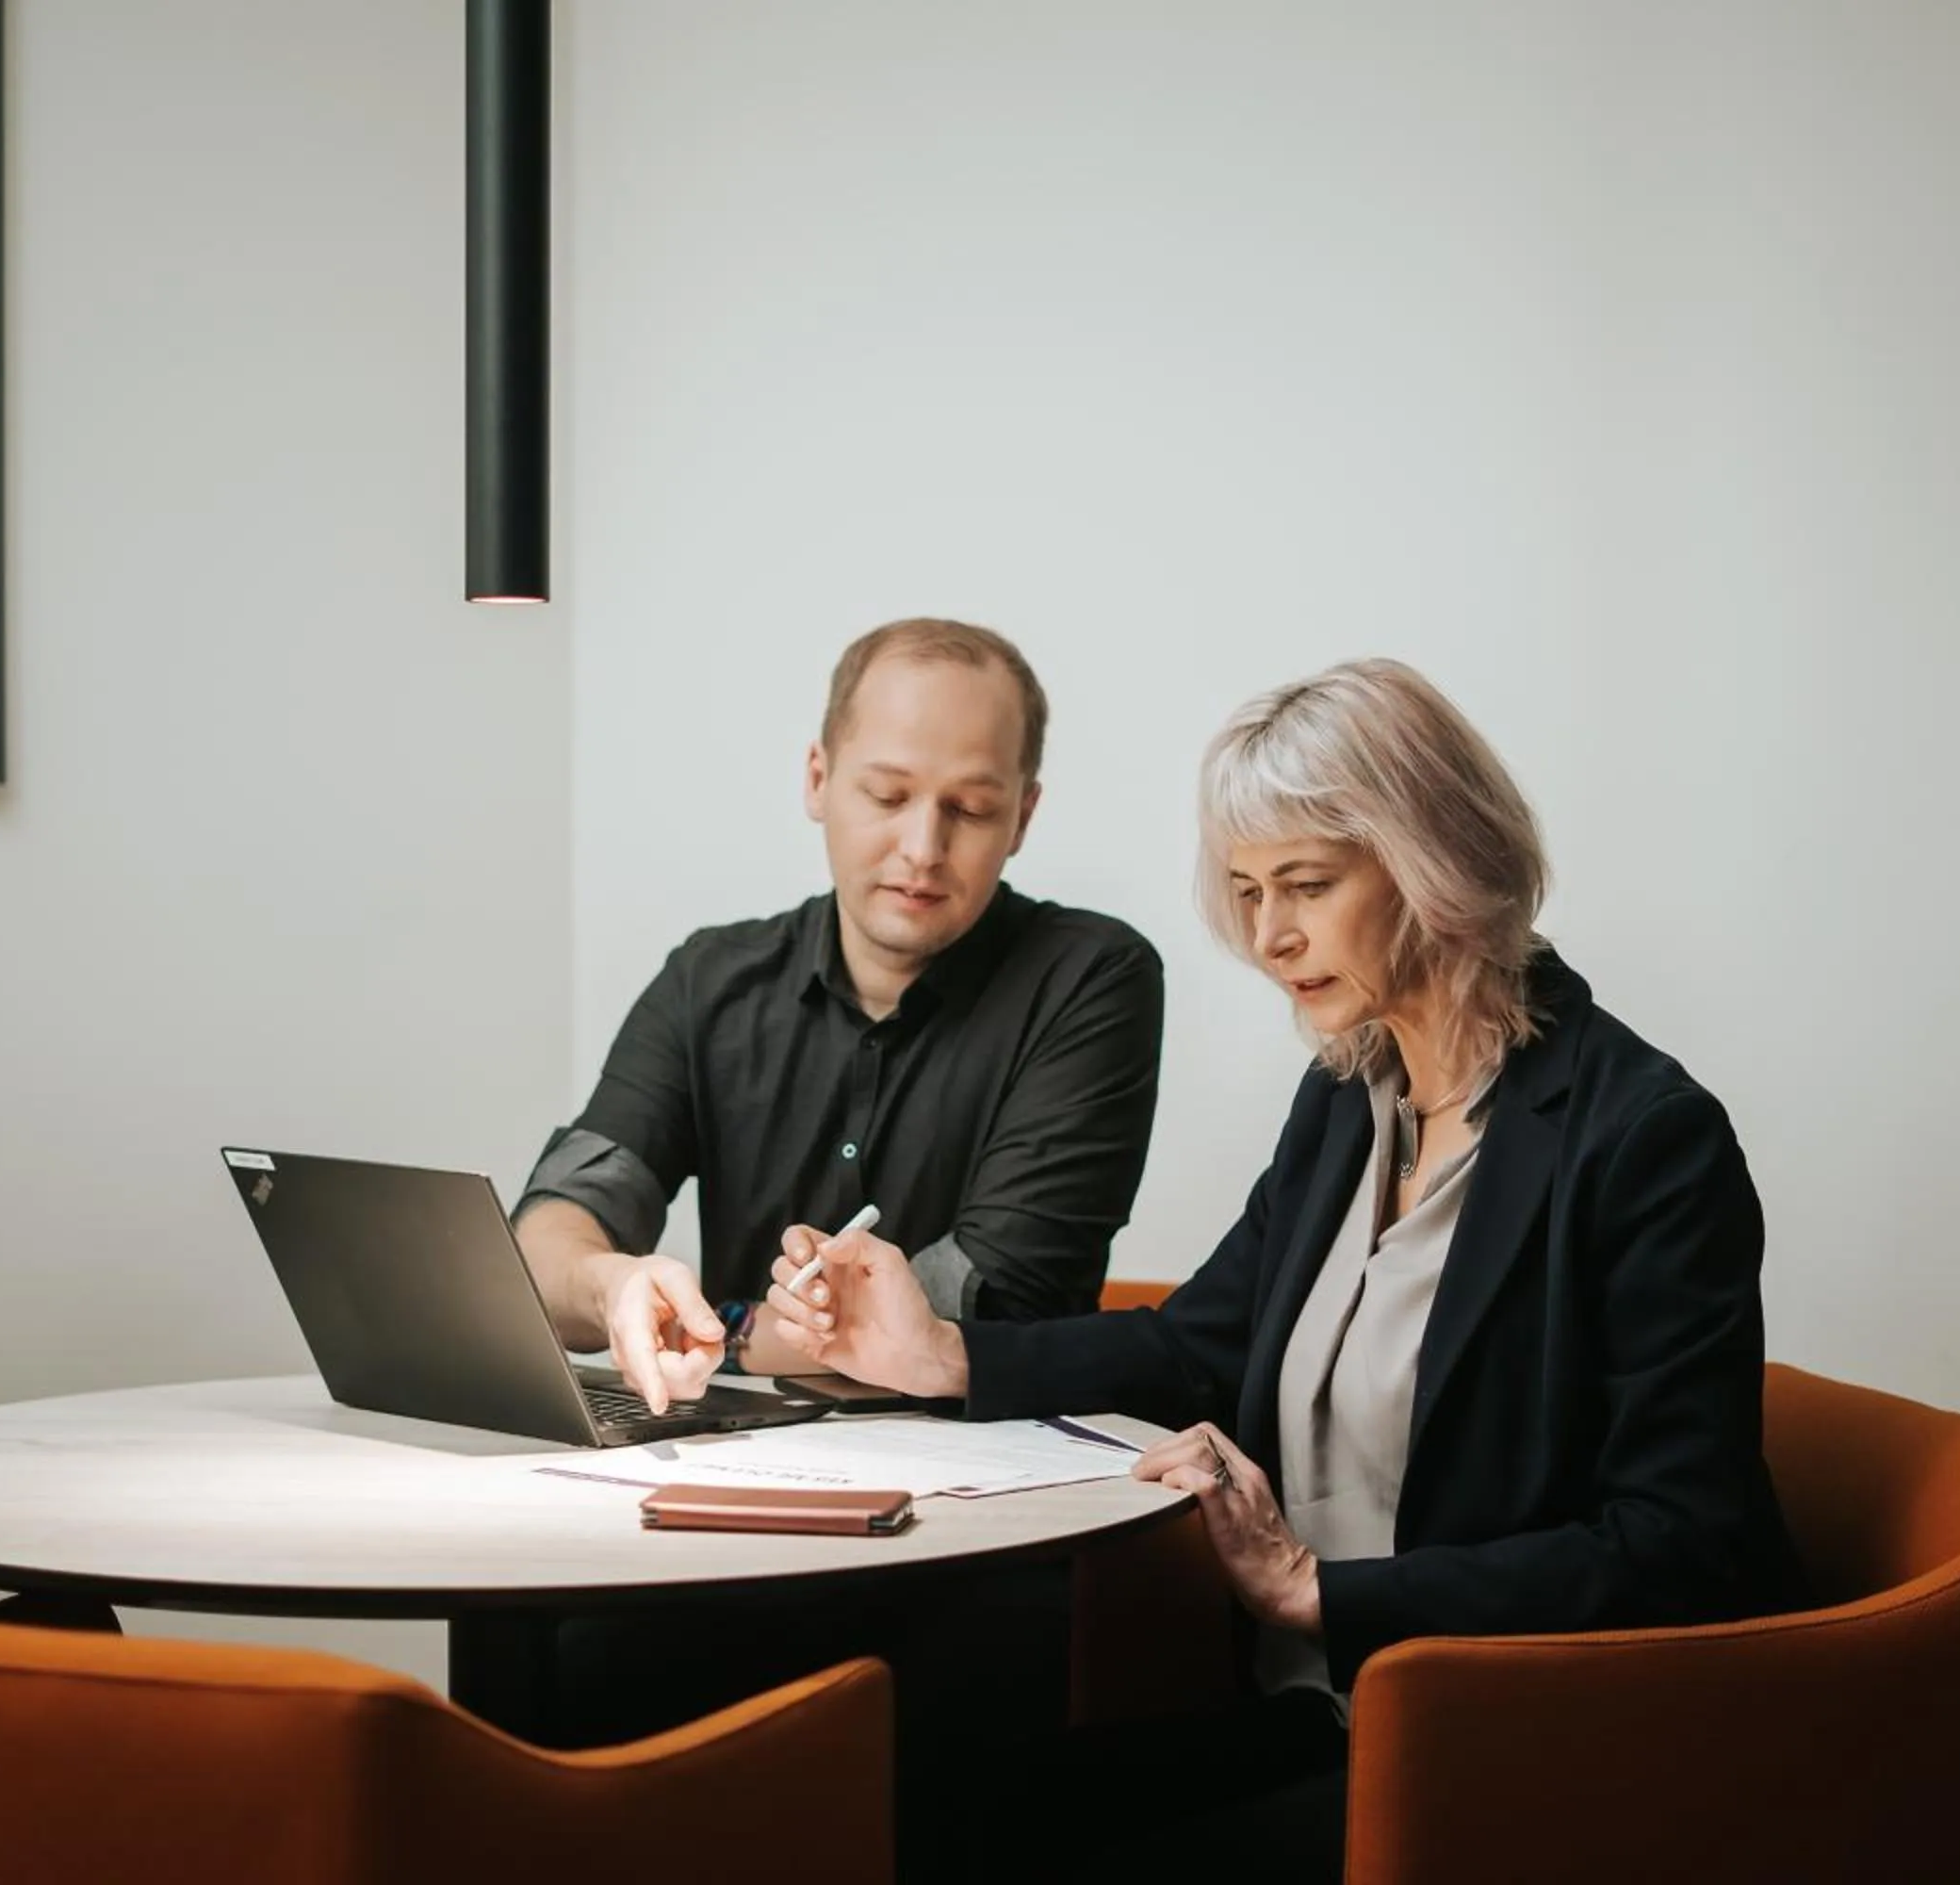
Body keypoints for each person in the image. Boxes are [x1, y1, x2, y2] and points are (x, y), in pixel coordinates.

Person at [765, 657, 1807, 1883]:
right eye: (1250, 891)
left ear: (1434, 860)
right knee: (926, 1808)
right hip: (1319, 1721)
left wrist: (1320, 1591)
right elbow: (1205, 1340)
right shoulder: (1351, 1098)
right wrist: (936, 1355)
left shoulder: (1642, 1140)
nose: (1270, 936)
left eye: (1307, 886)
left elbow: (1682, 1546)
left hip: (1499, 1743)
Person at [513, 615, 1167, 1409]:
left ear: (1023, 818)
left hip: (992, 1468)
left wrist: (736, 1333)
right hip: (738, 1467)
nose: (923, 846)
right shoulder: (710, 980)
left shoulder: (1090, 979)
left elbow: (993, 1295)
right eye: (887, 795)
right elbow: (545, 1242)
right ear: (818, 779)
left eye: (970, 808)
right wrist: (611, 1281)